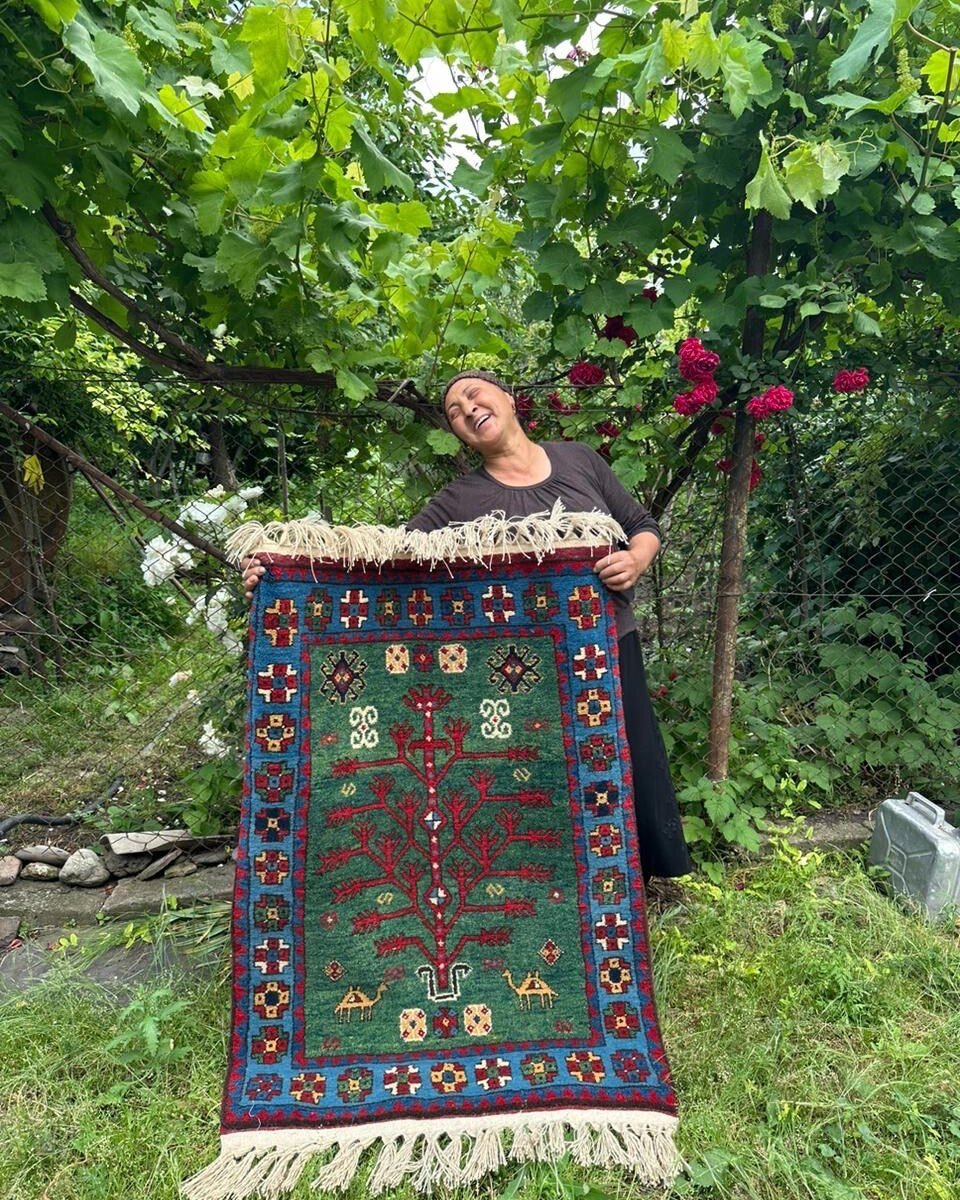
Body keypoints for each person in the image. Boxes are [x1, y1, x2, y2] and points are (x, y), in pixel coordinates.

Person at [243, 369, 690, 879]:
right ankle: (555, 881)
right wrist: (281, 575)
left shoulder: (579, 458)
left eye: (473, 394)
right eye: (454, 411)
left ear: (508, 398)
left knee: (630, 756)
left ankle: (637, 883)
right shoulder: (459, 500)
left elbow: (642, 526)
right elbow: (388, 564)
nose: (467, 409)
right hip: (522, 673)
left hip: (605, 643)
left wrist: (635, 559)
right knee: (542, 773)